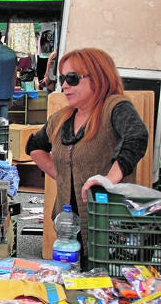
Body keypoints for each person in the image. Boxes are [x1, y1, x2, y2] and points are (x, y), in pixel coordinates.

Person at [26, 48, 148, 269]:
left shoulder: (115, 107)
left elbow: (136, 136)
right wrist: (61, 174)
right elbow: (34, 146)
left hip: (110, 232)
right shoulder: (62, 118)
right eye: (62, 79)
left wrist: (107, 181)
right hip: (69, 233)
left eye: (72, 79)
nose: (64, 86)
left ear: (98, 76)